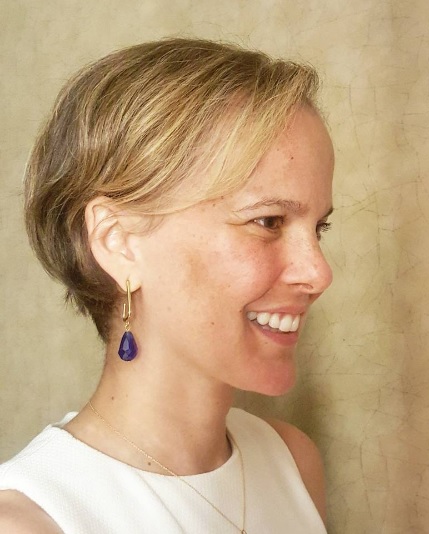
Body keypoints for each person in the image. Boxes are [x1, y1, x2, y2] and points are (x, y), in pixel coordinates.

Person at [0, 38, 334, 533]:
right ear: (118, 241)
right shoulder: (32, 521)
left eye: (319, 228)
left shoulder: (292, 463)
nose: (319, 273)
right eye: (268, 222)